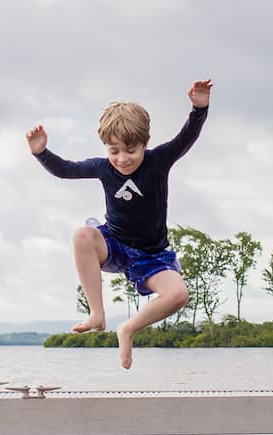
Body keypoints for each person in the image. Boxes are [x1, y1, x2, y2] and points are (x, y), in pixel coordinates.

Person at [25, 79, 212, 369]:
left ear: (145, 144)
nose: (122, 160)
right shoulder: (103, 167)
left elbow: (186, 138)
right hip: (114, 244)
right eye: (114, 152)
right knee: (83, 235)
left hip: (151, 256)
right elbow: (64, 170)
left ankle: (127, 329)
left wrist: (199, 108)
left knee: (178, 295)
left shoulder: (158, 161)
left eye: (131, 151)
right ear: (106, 149)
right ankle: (96, 313)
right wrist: (41, 152)